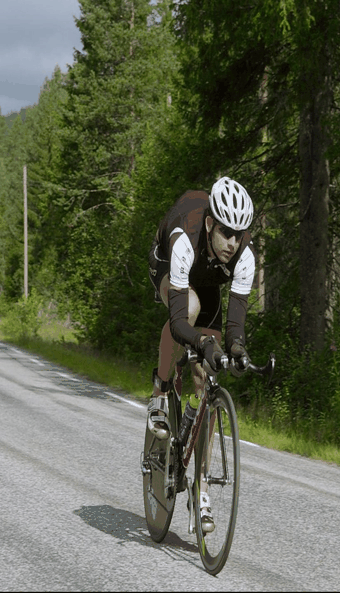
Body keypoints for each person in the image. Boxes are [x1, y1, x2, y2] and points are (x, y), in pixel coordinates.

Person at [147, 176, 255, 533]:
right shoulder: (184, 237)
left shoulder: (243, 255)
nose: (233, 242)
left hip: (207, 281)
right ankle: (161, 392)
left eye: (240, 235)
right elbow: (179, 321)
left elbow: (236, 323)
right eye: (226, 233)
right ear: (210, 224)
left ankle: (201, 486)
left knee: (206, 377)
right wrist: (201, 343)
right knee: (189, 309)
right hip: (170, 268)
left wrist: (235, 349)